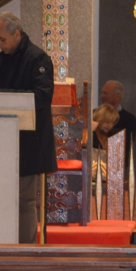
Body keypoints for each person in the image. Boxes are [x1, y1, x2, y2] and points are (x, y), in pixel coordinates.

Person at [0, 11, 57, 243]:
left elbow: (43, 96)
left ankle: (23, 249)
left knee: (24, 200)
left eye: (2, 39)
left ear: (17, 34)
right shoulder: (2, 58)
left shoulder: (38, 59)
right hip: (4, 140)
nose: (0, 44)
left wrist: (9, 99)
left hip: (28, 142)